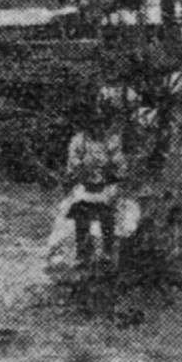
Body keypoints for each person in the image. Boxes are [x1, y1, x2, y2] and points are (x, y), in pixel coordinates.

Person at [46, 98, 128, 274]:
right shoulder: (79, 140)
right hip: (85, 187)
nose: (97, 127)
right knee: (81, 215)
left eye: (100, 123)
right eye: (93, 123)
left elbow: (120, 166)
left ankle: (107, 253)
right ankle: (81, 254)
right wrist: (82, 170)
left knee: (107, 216)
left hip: (106, 186)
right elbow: (73, 165)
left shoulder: (111, 141)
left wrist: (110, 173)